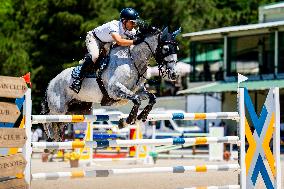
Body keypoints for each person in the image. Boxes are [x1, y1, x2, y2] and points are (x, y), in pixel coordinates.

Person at [70, 8, 144, 93]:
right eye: (132, 22)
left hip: (107, 42)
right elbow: (120, 41)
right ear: (124, 21)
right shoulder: (113, 26)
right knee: (94, 56)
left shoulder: (131, 30)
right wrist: (135, 41)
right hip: (94, 39)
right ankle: (78, 79)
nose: (134, 24)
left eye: (134, 22)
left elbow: (138, 40)